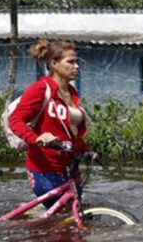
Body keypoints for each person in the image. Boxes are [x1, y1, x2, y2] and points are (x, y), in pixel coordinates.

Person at [9, 39, 93, 208]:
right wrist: (36, 138)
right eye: (71, 62)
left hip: (70, 167)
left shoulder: (72, 93)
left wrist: (86, 150)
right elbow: (16, 120)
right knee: (62, 219)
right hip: (45, 169)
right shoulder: (41, 89)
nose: (76, 66)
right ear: (54, 63)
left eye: (76, 62)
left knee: (72, 216)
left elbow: (72, 131)